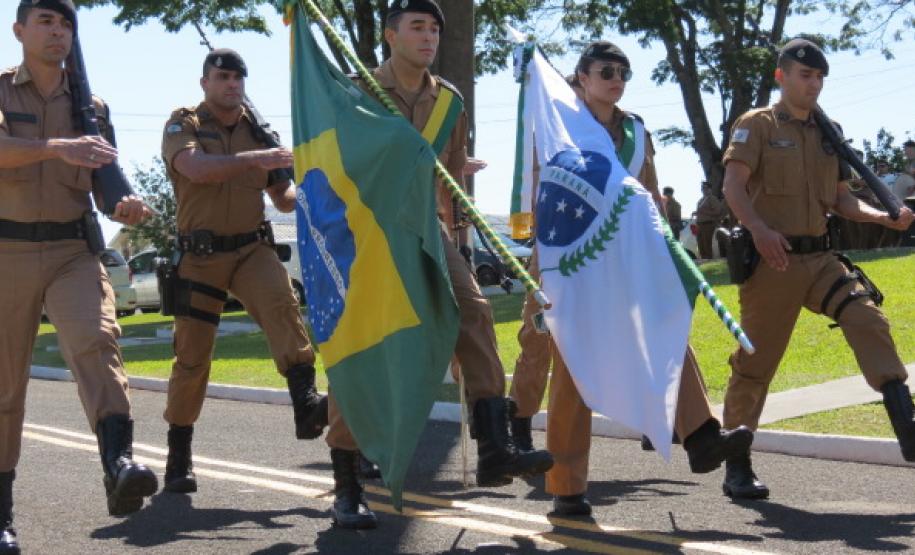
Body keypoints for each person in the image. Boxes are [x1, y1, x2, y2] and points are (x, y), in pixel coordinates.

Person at [318, 0, 554, 530]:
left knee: (474, 312)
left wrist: (460, 236)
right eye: (417, 27)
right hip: (365, 234)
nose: (428, 37)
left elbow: (448, 181)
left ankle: (494, 446)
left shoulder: (449, 100)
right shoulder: (355, 92)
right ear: (390, 35)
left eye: (434, 29)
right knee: (364, 350)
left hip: (428, 229)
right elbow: (329, 165)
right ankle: (347, 485)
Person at [514, 41, 751, 517]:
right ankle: (566, 485)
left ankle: (701, 436)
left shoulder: (637, 133)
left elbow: (648, 197)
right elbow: (538, 189)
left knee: (665, 326)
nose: (615, 78)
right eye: (605, 70)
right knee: (572, 369)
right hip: (574, 258)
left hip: (629, 257)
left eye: (623, 71)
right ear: (580, 77)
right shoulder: (559, 122)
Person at [720, 38, 915, 499]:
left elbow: (841, 199)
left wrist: (880, 216)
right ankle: (737, 463)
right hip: (774, 262)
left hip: (821, 259)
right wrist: (759, 230)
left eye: (819, 78)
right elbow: (733, 185)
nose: (813, 84)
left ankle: (906, 424)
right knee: (756, 364)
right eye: (804, 76)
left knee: (867, 317)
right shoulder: (758, 125)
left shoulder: (829, 133)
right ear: (781, 77)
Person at [0, 1, 158, 550]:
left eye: (66, 23)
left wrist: (128, 204)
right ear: (19, 31)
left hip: (72, 247)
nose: (57, 31)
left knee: (97, 339)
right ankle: (1, 513)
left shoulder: (90, 104)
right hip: (7, 251)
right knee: (4, 388)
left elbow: (105, 177)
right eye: (45, 21)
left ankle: (118, 464)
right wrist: (53, 146)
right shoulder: (0, 90)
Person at [159, 48, 326, 495]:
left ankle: (306, 405)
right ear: (205, 83)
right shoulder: (184, 123)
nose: (232, 84)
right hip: (200, 254)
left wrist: (311, 176)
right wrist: (259, 159)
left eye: (239, 78)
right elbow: (196, 169)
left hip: (252, 247)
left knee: (283, 306)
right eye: (223, 77)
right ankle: (179, 454)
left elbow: (284, 199)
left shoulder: (257, 130)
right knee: (192, 356)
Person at [696, 182, 725, 259]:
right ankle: (704, 262)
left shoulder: (712, 198)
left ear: (710, 189)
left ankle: (709, 261)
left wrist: (703, 212)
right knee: (700, 246)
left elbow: (718, 212)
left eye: (705, 188)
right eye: (702, 188)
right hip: (700, 225)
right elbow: (700, 211)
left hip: (708, 224)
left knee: (707, 245)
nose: (703, 190)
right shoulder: (701, 200)